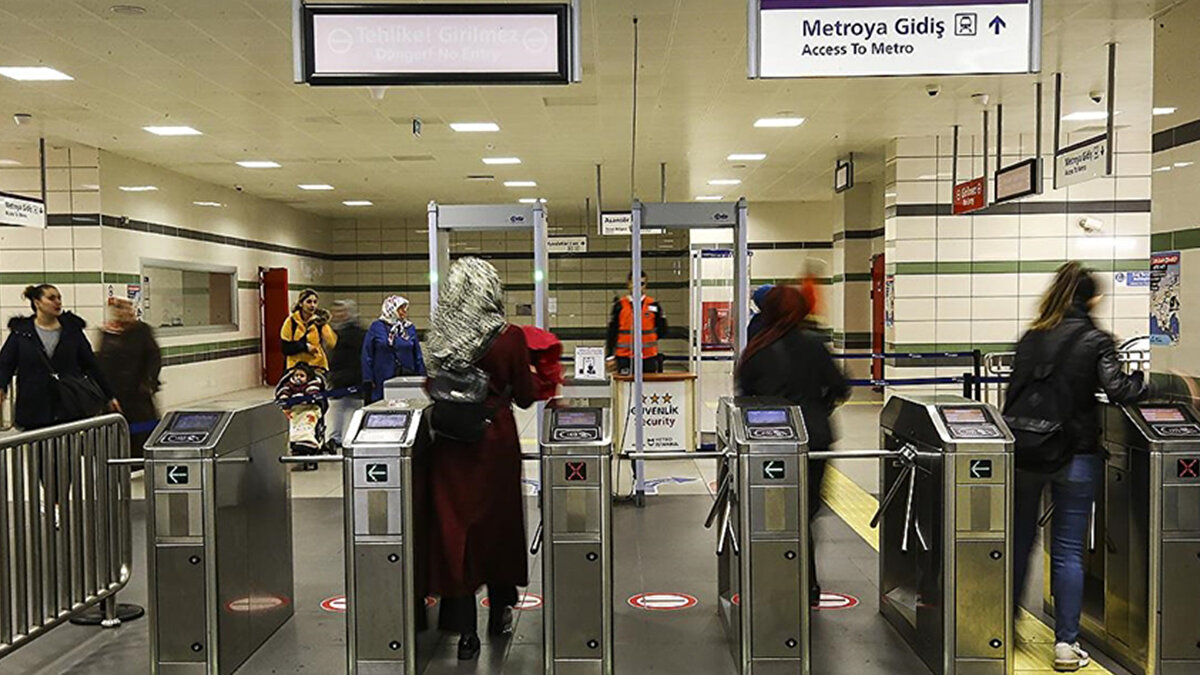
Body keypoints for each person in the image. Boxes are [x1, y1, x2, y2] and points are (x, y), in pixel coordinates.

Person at [1008, 262, 1150, 672]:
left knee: (1020, 541)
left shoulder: (1031, 337)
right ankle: (1065, 646)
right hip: (1075, 454)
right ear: (1092, 299)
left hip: (1027, 452)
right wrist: (1158, 385)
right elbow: (1119, 389)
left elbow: (1013, 394)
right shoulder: (1096, 339)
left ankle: (1004, 622)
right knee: (1068, 550)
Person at [421, 257, 537, 661]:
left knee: (456, 530)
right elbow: (525, 395)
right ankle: (500, 610)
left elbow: (430, 386)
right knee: (498, 525)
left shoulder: (441, 337)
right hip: (495, 442)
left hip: (451, 446)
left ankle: (465, 630)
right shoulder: (510, 337)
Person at [736, 285, 849, 606]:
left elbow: (744, 400)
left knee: (772, 512)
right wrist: (817, 410)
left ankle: (770, 583)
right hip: (815, 439)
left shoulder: (757, 348)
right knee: (806, 513)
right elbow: (841, 387)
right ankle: (808, 587)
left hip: (769, 444)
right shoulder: (814, 345)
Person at [0, 284, 120, 431]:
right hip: (34, 409)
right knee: (39, 452)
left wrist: (109, 395)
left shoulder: (72, 331)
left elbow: (91, 365)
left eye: (59, 298)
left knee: (69, 452)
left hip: (69, 407)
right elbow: (5, 364)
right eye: (51, 298)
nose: (58, 302)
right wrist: (2, 387)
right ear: (37, 302)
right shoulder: (22, 333)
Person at [97, 297, 162, 458]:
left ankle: (142, 459)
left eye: (126, 309)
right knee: (116, 430)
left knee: (142, 430)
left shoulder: (142, 331)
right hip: (114, 393)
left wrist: (149, 382)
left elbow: (154, 357)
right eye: (119, 310)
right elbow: (101, 363)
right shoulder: (107, 333)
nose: (124, 313)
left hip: (138, 392)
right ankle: (119, 460)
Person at [362, 295, 426, 404]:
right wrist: (368, 378)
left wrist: (423, 377)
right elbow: (367, 354)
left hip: (406, 378)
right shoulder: (376, 327)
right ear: (391, 309)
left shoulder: (409, 328)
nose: (403, 312)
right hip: (382, 378)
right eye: (400, 309)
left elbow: (417, 355)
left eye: (405, 309)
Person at [605, 271, 668, 374]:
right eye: (634, 283)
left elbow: (663, 329)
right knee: (625, 388)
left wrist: (649, 338)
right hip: (625, 357)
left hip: (648, 357)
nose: (638, 287)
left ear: (645, 286)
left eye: (641, 284)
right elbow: (612, 332)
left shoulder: (653, 305)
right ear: (628, 284)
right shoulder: (619, 306)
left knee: (648, 388)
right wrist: (610, 356)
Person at [325, 300, 366, 450]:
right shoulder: (334, 332)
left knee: (352, 409)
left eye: (341, 312)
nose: (337, 315)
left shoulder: (355, 333)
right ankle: (336, 438)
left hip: (352, 378)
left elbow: (357, 358)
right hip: (341, 378)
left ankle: (346, 437)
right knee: (339, 409)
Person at [280, 288, 336, 372]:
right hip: (295, 366)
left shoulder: (319, 323)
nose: (312, 305)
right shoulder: (291, 322)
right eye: (309, 302)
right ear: (301, 304)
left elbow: (332, 342)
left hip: (316, 366)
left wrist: (323, 323)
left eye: (315, 302)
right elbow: (285, 348)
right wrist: (305, 347)